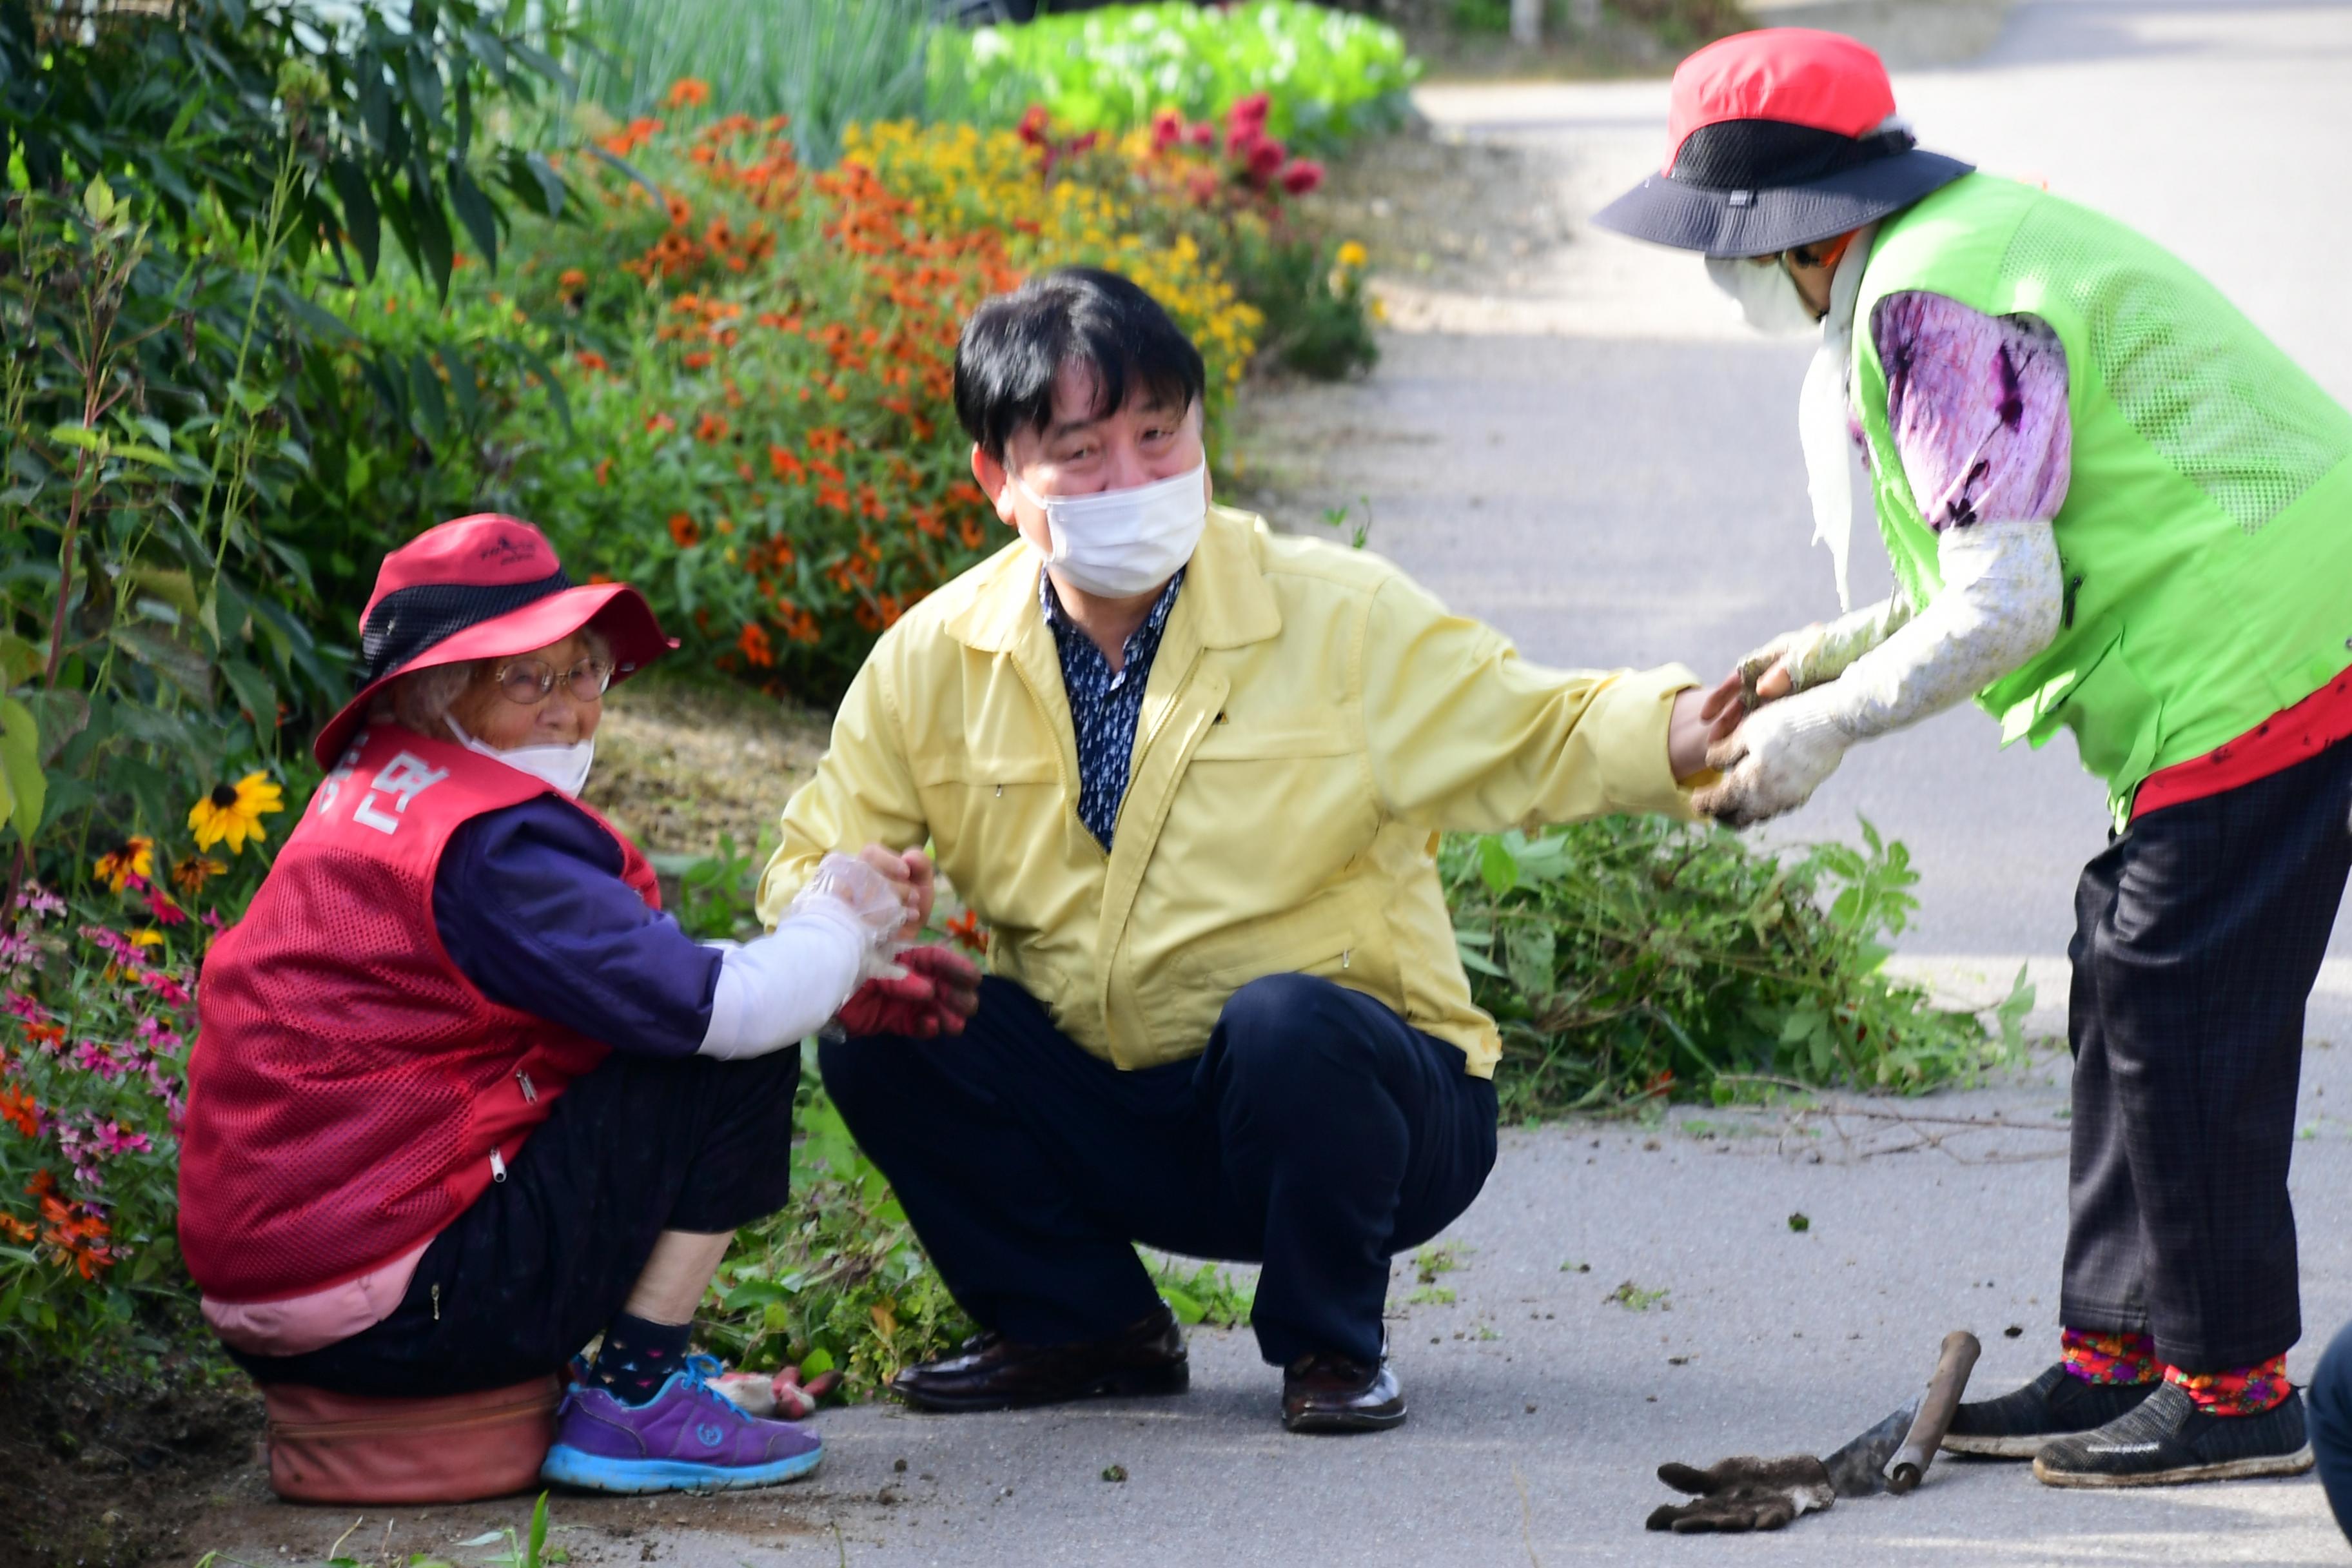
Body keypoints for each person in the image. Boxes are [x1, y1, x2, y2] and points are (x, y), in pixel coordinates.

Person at [758, 266, 1716, 1433]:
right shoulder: (930, 660)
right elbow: (813, 855)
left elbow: (1531, 727)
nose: (1135, 480)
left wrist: (1687, 737)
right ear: (999, 480)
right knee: (884, 1031)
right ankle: (1079, 1325)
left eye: (1160, 436)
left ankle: (1330, 1346)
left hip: (1367, 1112)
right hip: (1121, 1107)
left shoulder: (1335, 613)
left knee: (1287, 1023)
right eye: (1085, 453)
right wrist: (855, 911)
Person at [1594, 26, 2352, 1486]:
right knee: (2116, 954)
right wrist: (1817, 655)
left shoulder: (1935, 302)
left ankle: (2238, 1386)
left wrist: (1822, 730)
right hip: (2276, 623)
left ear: (1790, 236)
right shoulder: (1961, 244)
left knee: (2173, 978)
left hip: (2276, 646)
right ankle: (2116, 1355)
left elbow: (2011, 598)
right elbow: (1997, 535)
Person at [178, 514, 979, 1494]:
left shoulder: (382, 796)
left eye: (583, 669)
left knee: (686, 1024)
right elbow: (725, 1013)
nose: (567, 708)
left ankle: (637, 1374)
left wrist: (840, 983)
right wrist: (840, 921)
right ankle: (636, 1400)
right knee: (733, 1052)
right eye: (523, 677)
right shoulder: (492, 846)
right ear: (436, 695)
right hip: (395, 1310)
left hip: (298, 1299)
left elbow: (627, 987)